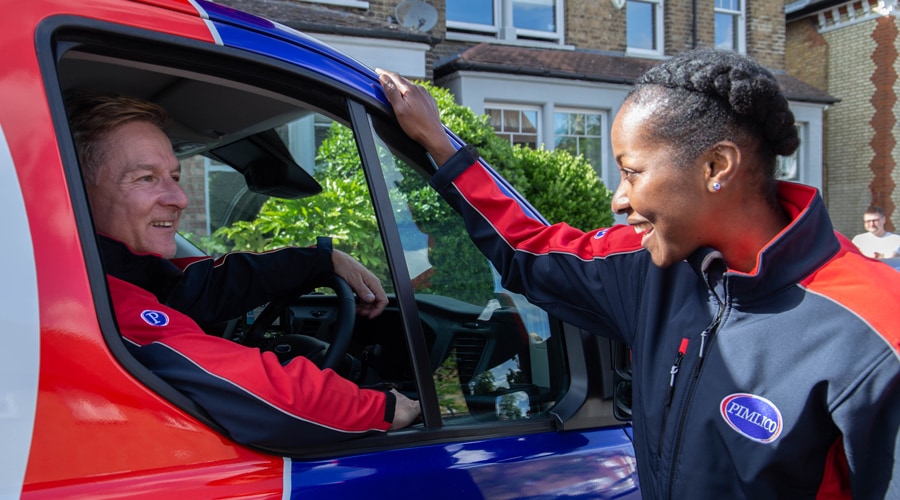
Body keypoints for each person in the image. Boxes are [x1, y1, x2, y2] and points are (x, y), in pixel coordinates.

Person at [377, 48, 900, 499]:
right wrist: (443, 148)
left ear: (716, 166)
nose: (619, 198)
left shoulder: (876, 325)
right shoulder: (651, 265)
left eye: (631, 171)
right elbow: (530, 251)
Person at [66, 92, 420, 450]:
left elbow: (198, 286)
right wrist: (385, 407)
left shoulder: (118, 270)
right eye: (145, 178)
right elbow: (268, 398)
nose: (179, 198)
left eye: (174, 175)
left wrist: (319, 259)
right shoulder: (92, 297)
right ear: (74, 191)